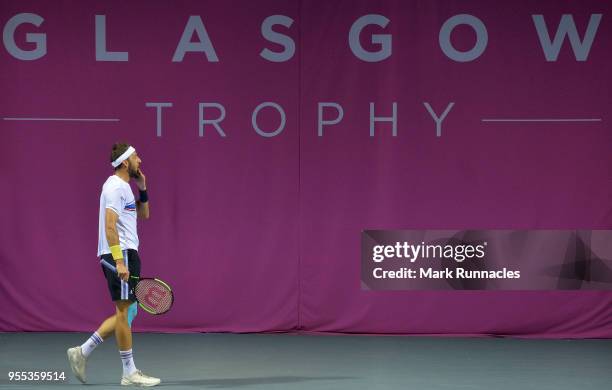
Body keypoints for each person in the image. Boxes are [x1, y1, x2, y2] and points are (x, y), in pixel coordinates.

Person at [67, 143, 160, 386]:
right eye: (137, 157)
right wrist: (119, 260)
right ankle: (129, 372)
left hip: (129, 252)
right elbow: (110, 226)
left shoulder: (126, 188)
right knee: (123, 312)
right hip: (121, 254)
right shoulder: (115, 187)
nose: (140, 161)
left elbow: (144, 214)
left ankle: (82, 352)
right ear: (126, 161)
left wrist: (143, 189)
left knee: (128, 312)